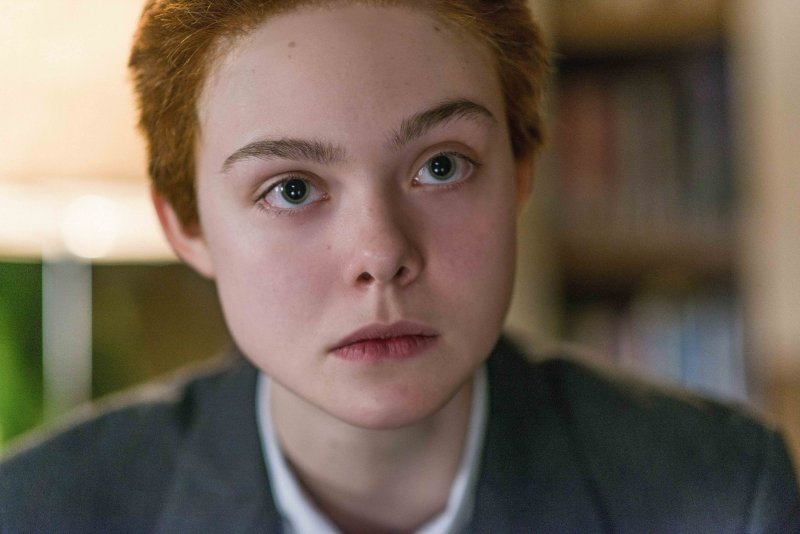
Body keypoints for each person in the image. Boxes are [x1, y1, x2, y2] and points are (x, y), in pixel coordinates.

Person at [1, 1, 798, 532]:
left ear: (521, 173)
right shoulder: (37, 513)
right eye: (291, 188)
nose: (381, 253)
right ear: (186, 223)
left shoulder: (723, 497)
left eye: (441, 167)